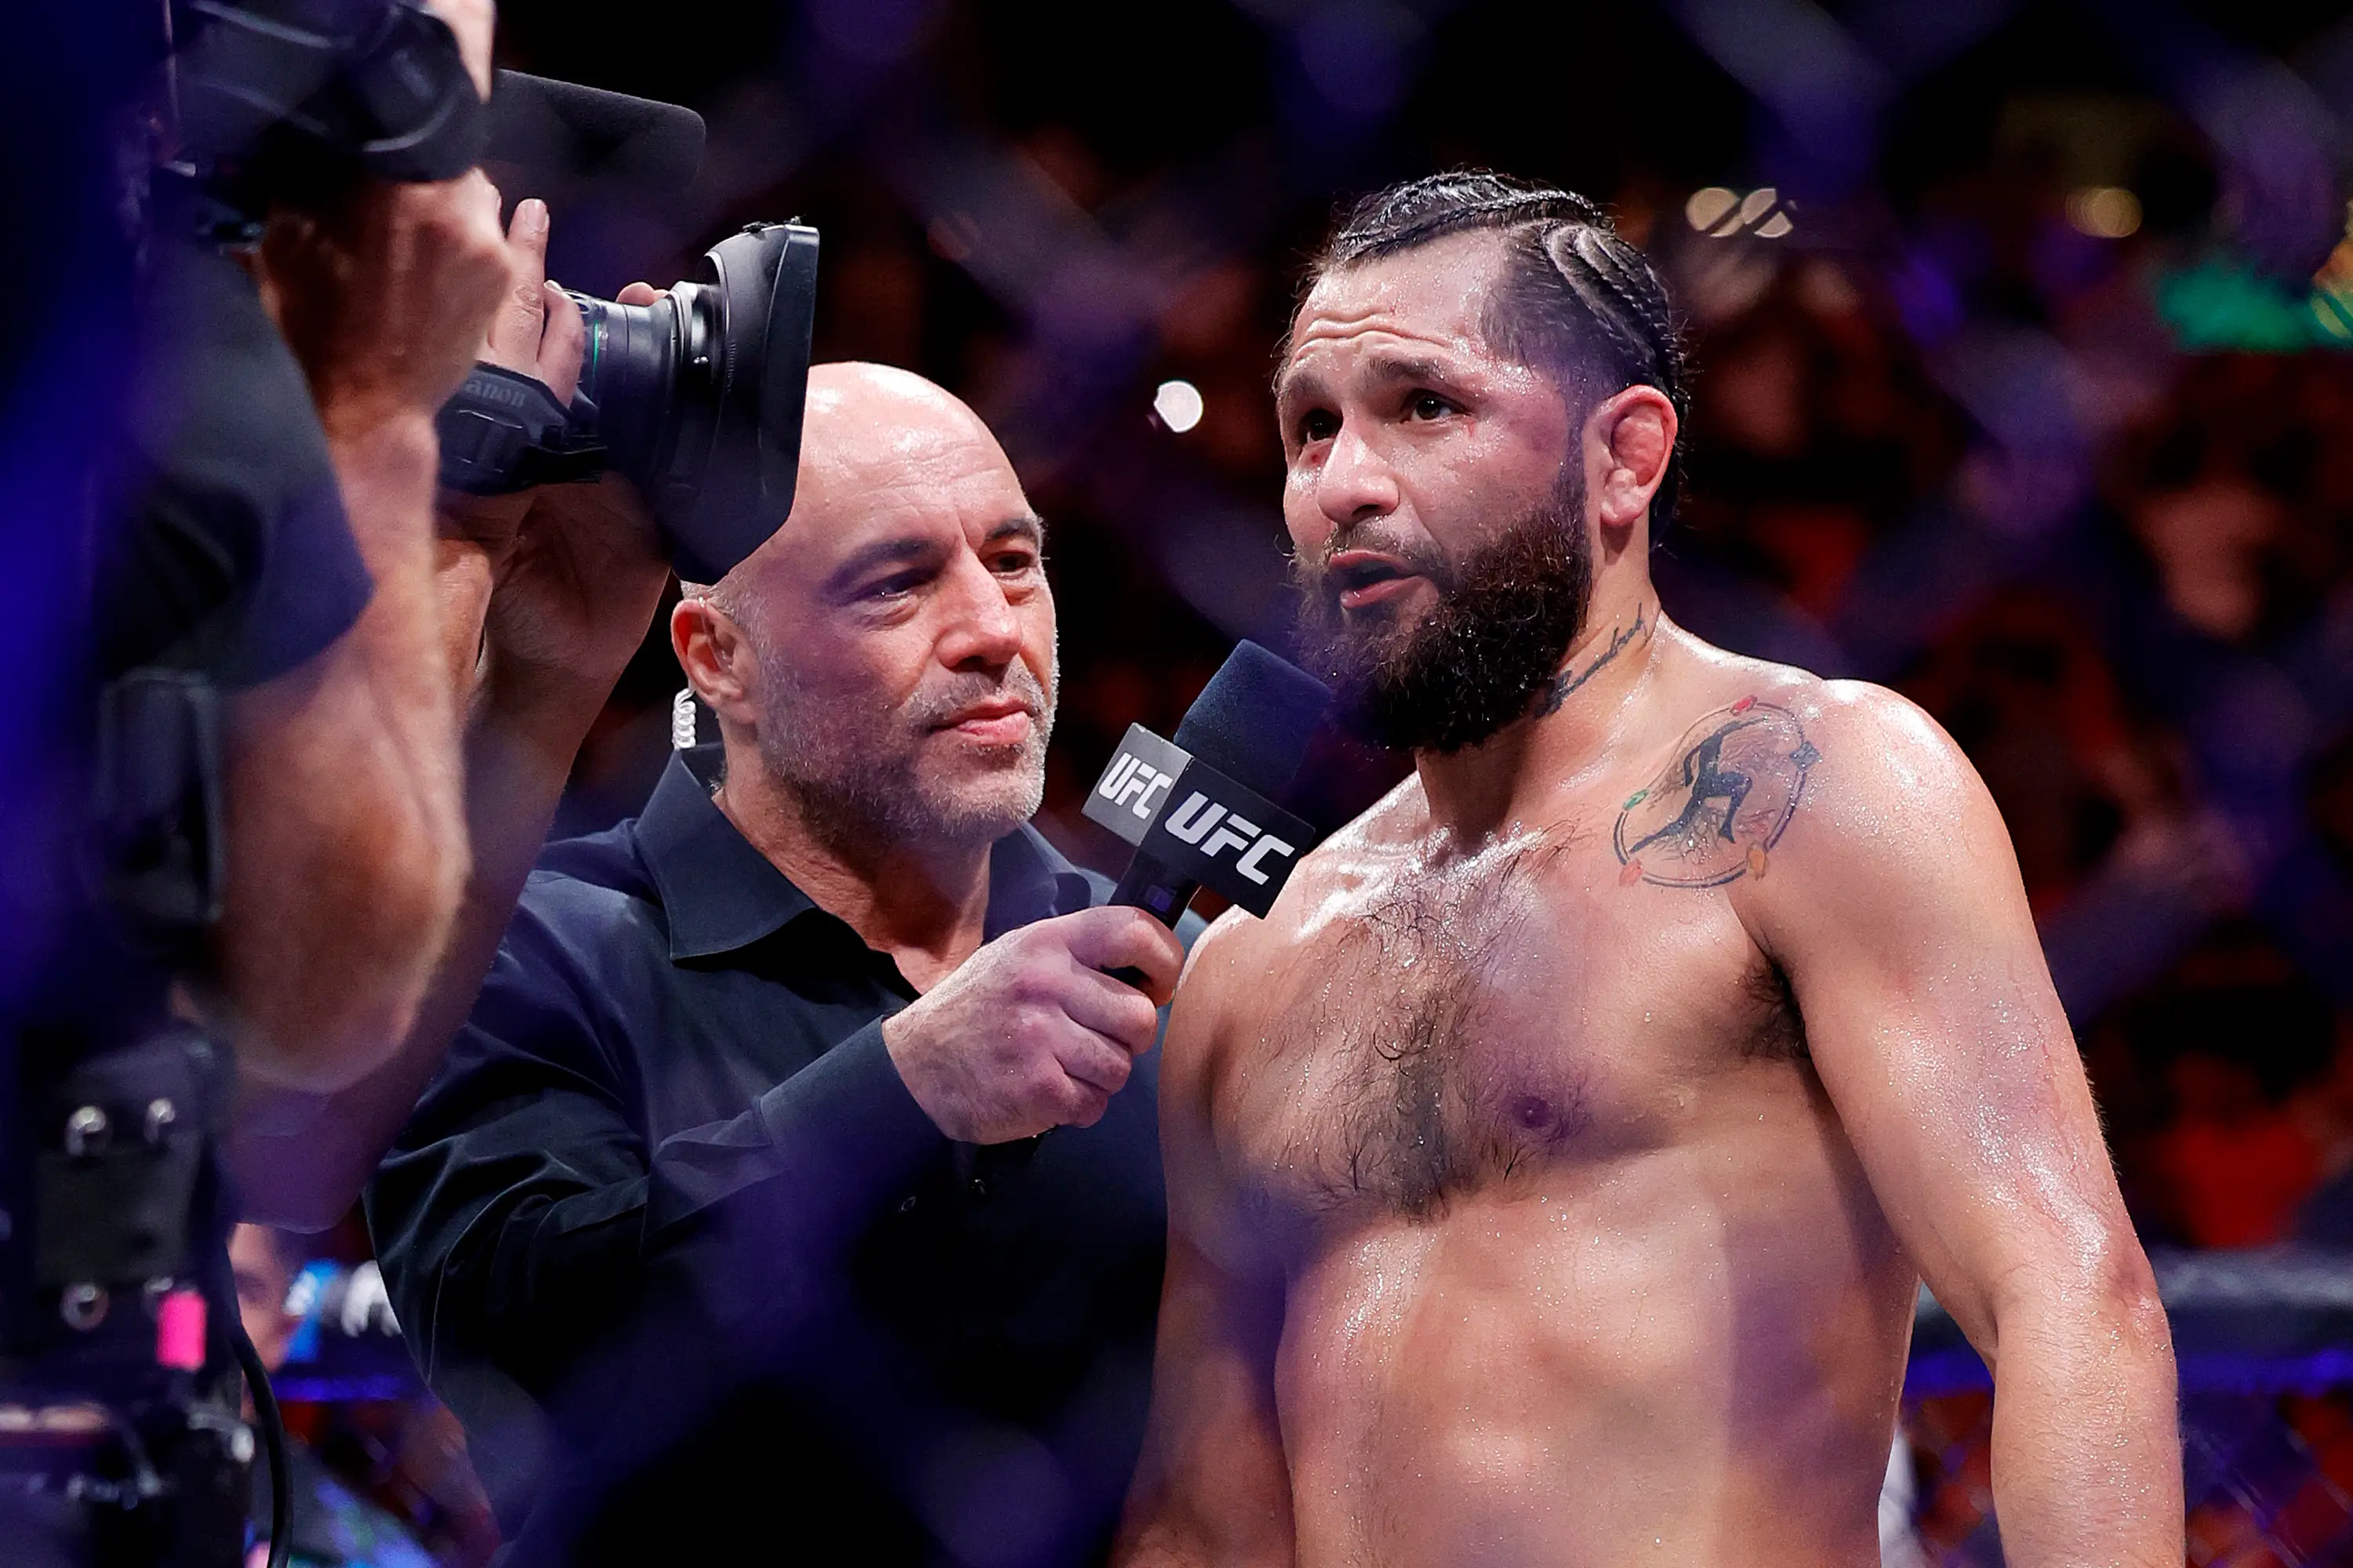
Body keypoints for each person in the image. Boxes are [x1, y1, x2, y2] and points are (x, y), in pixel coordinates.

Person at [1117, 173, 2181, 1566]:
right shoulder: (1252, 961)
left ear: (1622, 456)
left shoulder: (1815, 788)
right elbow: (1205, 1516)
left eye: (1423, 406)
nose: (1345, 483)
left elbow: (2065, 1296)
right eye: (1311, 426)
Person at [366, 357, 1193, 1566]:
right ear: (716, 657)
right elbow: (520, 1341)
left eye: (1014, 562)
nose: (989, 631)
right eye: (896, 586)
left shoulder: (1170, 968)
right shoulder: (527, 952)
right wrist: (895, 1094)